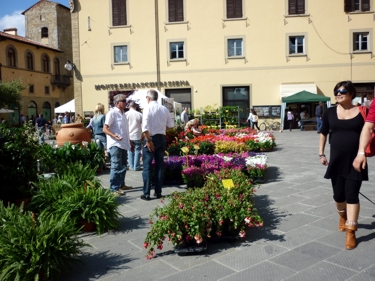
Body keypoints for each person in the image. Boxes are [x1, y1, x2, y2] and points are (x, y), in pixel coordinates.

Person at [319, 81, 367, 250]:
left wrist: (362, 154)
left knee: (352, 195)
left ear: (351, 93)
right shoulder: (330, 112)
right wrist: (321, 153)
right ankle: (342, 216)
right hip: (337, 160)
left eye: (342, 91)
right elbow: (323, 132)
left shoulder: (362, 112)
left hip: (356, 161)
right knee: (339, 196)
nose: (338, 94)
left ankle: (351, 230)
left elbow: (368, 131)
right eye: (336, 91)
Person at [141, 90, 174, 200]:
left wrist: (148, 140)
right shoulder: (164, 109)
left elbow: (144, 127)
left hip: (151, 138)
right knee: (159, 166)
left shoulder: (148, 108)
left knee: (147, 167)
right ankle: (158, 192)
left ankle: (146, 193)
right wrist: (161, 127)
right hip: (161, 137)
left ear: (148, 98)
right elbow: (171, 125)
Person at [103, 94, 134, 196]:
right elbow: (105, 128)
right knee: (116, 166)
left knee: (123, 166)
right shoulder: (112, 113)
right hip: (115, 144)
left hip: (124, 144)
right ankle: (114, 188)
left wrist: (129, 142)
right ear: (117, 103)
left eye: (126, 101)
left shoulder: (123, 114)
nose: (126, 103)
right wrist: (114, 135)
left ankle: (121, 185)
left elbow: (125, 130)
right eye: (123, 101)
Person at [126, 101, 143, 171]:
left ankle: (131, 165)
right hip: (137, 135)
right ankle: (137, 166)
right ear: (135, 107)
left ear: (129, 107)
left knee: (130, 150)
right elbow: (144, 125)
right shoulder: (139, 114)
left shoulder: (126, 114)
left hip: (129, 135)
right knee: (137, 150)